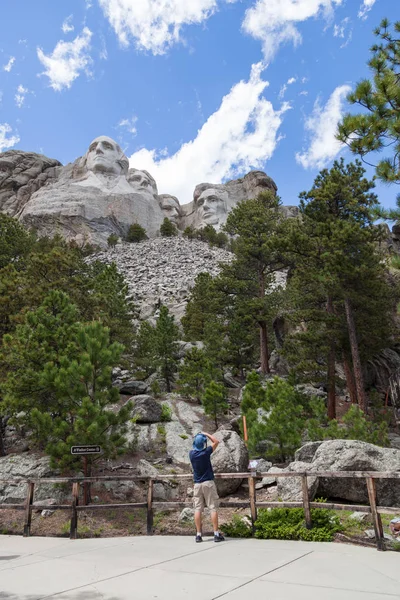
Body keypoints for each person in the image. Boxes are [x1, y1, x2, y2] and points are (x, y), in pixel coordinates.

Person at [189, 431, 225, 543]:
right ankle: (216, 534)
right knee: (212, 507)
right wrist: (206, 434)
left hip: (197, 484)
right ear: (204, 444)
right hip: (208, 483)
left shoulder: (191, 454)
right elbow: (216, 441)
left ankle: (198, 535)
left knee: (198, 509)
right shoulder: (206, 452)